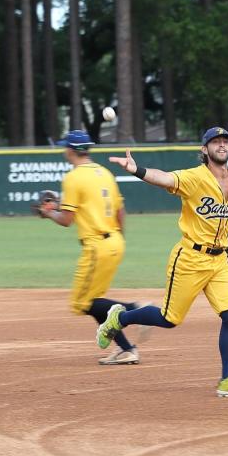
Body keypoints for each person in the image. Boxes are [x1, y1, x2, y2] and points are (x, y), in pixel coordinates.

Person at [99, 126, 228, 397]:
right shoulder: (193, 178)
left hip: (219, 260)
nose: (222, 145)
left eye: (226, 141)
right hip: (190, 258)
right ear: (204, 149)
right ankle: (120, 317)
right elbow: (164, 179)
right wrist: (136, 170)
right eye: (216, 142)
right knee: (168, 318)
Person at [34, 129, 149, 366]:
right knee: (96, 302)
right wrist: (118, 240)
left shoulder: (73, 177)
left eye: (65, 146)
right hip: (114, 240)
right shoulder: (104, 172)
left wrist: (48, 213)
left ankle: (136, 311)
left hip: (97, 245)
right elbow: (120, 211)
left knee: (82, 303)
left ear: (71, 150)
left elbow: (66, 220)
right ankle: (127, 350)